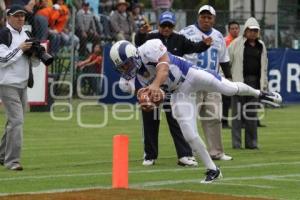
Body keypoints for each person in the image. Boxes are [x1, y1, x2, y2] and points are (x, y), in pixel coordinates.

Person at [109, 39, 281, 183]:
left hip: (189, 73)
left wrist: (154, 86)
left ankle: (260, 93)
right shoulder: (126, 83)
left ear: (135, 55)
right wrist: (149, 103)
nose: (126, 70)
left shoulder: (150, 47)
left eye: (127, 64)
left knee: (228, 88)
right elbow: (156, 97)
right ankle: (213, 170)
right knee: (189, 135)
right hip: (178, 93)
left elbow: (163, 68)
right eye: (122, 68)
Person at [135, 11, 212, 166]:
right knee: (150, 118)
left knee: (176, 120)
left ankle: (184, 155)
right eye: (164, 25)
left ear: (174, 26)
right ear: (159, 25)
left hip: (173, 88)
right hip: (153, 85)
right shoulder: (151, 37)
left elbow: (193, 47)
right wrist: (141, 34)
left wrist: (204, 44)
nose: (166, 28)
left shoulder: (179, 38)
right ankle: (150, 155)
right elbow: (138, 46)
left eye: (169, 25)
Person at [180, 5, 232, 161]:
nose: (206, 20)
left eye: (209, 17)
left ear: (214, 20)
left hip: (212, 82)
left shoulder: (218, 36)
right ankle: (188, 153)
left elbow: (224, 59)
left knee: (214, 117)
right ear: (198, 17)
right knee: (189, 118)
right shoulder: (186, 32)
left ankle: (216, 152)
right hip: (192, 82)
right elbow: (178, 54)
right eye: (203, 16)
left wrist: (228, 77)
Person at [0, 4, 40, 170]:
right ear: (8, 17)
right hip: (7, 84)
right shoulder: (3, 34)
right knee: (17, 121)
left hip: (23, 84)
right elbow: (2, 60)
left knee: (13, 122)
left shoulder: (27, 33)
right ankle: (12, 162)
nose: (20, 18)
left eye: (22, 16)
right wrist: (20, 49)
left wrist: (36, 54)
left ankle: (2, 155)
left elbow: (35, 63)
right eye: (16, 16)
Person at [228, 17, 268, 149]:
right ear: (245, 31)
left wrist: (264, 85)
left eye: (255, 31)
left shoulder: (261, 45)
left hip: (254, 84)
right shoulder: (235, 43)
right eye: (250, 30)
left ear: (258, 32)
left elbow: (264, 67)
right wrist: (227, 81)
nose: (253, 33)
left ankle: (252, 143)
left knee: (251, 115)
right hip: (238, 84)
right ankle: (237, 144)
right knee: (237, 116)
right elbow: (227, 62)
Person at [222, 20, 240, 129]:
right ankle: (224, 121)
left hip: (237, 73)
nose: (235, 30)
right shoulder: (225, 41)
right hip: (227, 73)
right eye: (232, 28)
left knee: (239, 97)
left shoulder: (241, 41)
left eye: (236, 28)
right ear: (228, 30)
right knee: (226, 99)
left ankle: (243, 121)